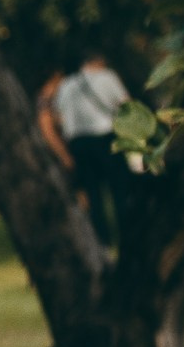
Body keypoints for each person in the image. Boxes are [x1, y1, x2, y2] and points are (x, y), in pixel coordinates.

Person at [51, 52, 130, 247]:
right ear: (99, 61)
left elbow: (58, 117)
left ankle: (102, 238)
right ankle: (127, 232)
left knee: (93, 194)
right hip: (105, 137)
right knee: (120, 189)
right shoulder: (107, 77)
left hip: (78, 142)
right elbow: (126, 105)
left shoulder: (67, 85)